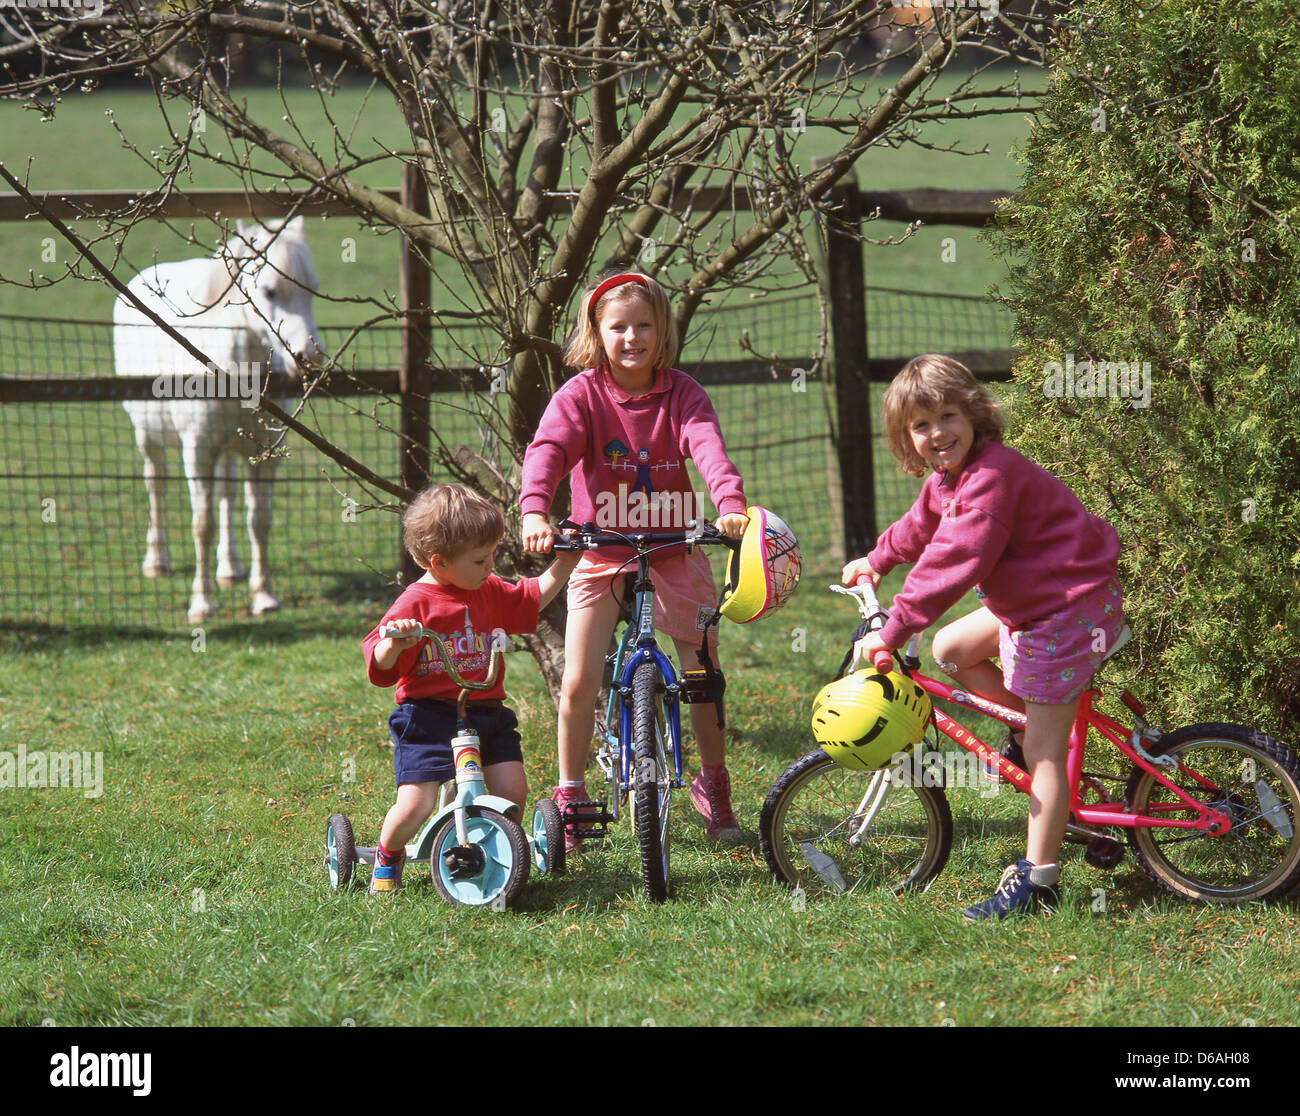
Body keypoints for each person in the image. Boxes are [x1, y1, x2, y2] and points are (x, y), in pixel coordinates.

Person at [844, 354, 1125, 920]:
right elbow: (920, 527)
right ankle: (1041, 731)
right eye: (920, 426)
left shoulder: (990, 479)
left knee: (1045, 754)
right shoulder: (949, 479)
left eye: (947, 416)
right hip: (1036, 604)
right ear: (906, 437)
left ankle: (1038, 880)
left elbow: (954, 561)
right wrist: (874, 560)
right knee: (951, 650)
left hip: (1066, 610)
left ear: (973, 415)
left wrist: (895, 627)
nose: (936, 433)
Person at [519, 269, 749, 848]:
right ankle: (571, 794)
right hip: (599, 550)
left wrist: (729, 504)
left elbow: (707, 447)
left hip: (674, 549)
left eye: (643, 325)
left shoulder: (683, 393)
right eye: (618, 326)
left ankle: (713, 785)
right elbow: (548, 450)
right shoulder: (581, 395)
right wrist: (534, 512)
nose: (631, 338)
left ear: (662, 330)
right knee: (577, 681)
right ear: (597, 332)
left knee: (703, 675)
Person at [362, 484, 581, 895]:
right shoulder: (415, 602)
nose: (490, 565)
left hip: (485, 712)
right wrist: (394, 644)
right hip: (427, 717)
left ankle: (493, 847)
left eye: (493, 554)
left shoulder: (489, 589)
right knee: (416, 805)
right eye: (481, 559)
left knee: (512, 789)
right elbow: (378, 661)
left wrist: (564, 566)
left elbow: (530, 598)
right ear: (439, 562)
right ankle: (388, 858)